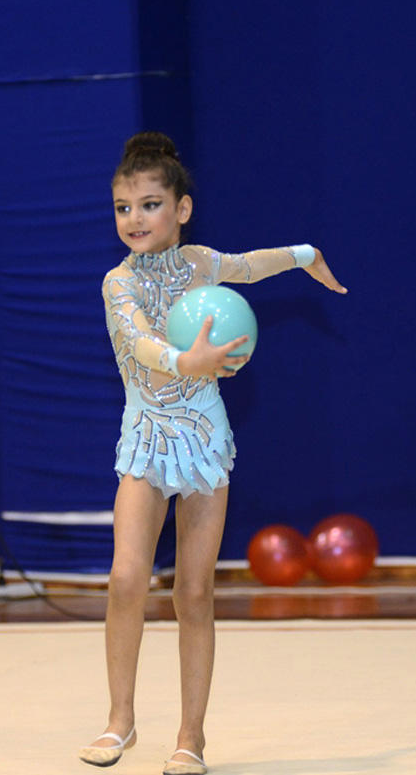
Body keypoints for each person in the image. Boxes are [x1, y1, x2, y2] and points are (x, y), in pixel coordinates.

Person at [80, 131, 347, 775]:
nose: (134, 219)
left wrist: (305, 254)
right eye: (123, 207)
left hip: (201, 442)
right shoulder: (117, 284)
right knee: (125, 579)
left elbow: (249, 265)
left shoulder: (199, 263)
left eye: (148, 205)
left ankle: (191, 737)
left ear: (182, 208)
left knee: (194, 592)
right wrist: (186, 360)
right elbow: (140, 344)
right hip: (146, 441)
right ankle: (121, 720)